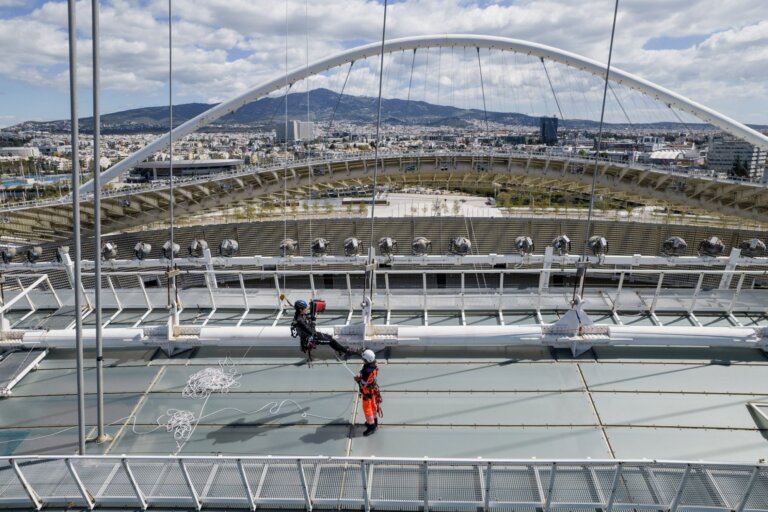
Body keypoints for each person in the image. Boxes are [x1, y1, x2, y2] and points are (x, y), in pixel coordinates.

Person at [290, 299, 356, 358]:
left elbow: (306, 317)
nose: (307, 309)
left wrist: (310, 316)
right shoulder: (299, 321)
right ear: (300, 309)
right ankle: (347, 351)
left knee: (329, 337)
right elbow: (311, 332)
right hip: (311, 339)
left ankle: (339, 349)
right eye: (305, 308)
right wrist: (313, 322)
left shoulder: (299, 315)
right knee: (330, 341)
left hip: (310, 336)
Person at [354, 349, 382, 436]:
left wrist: (357, 380)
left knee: (367, 409)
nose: (363, 361)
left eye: (364, 360)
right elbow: (365, 371)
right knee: (373, 406)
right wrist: (360, 373)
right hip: (373, 390)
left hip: (367, 393)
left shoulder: (367, 372)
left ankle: (371, 426)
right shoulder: (374, 364)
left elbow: (363, 385)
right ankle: (374, 422)